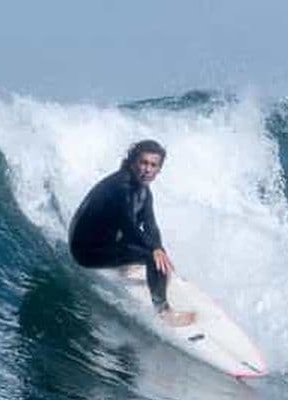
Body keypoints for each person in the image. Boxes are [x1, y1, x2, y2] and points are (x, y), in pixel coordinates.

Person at [69, 140, 195, 327]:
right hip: (85, 251)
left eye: (153, 165)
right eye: (143, 163)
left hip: (104, 240)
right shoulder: (121, 187)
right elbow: (128, 226)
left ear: (159, 169)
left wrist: (159, 248)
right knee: (151, 256)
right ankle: (164, 312)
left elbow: (151, 225)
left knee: (155, 251)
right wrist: (153, 251)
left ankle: (129, 263)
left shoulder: (143, 190)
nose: (147, 169)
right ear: (132, 163)